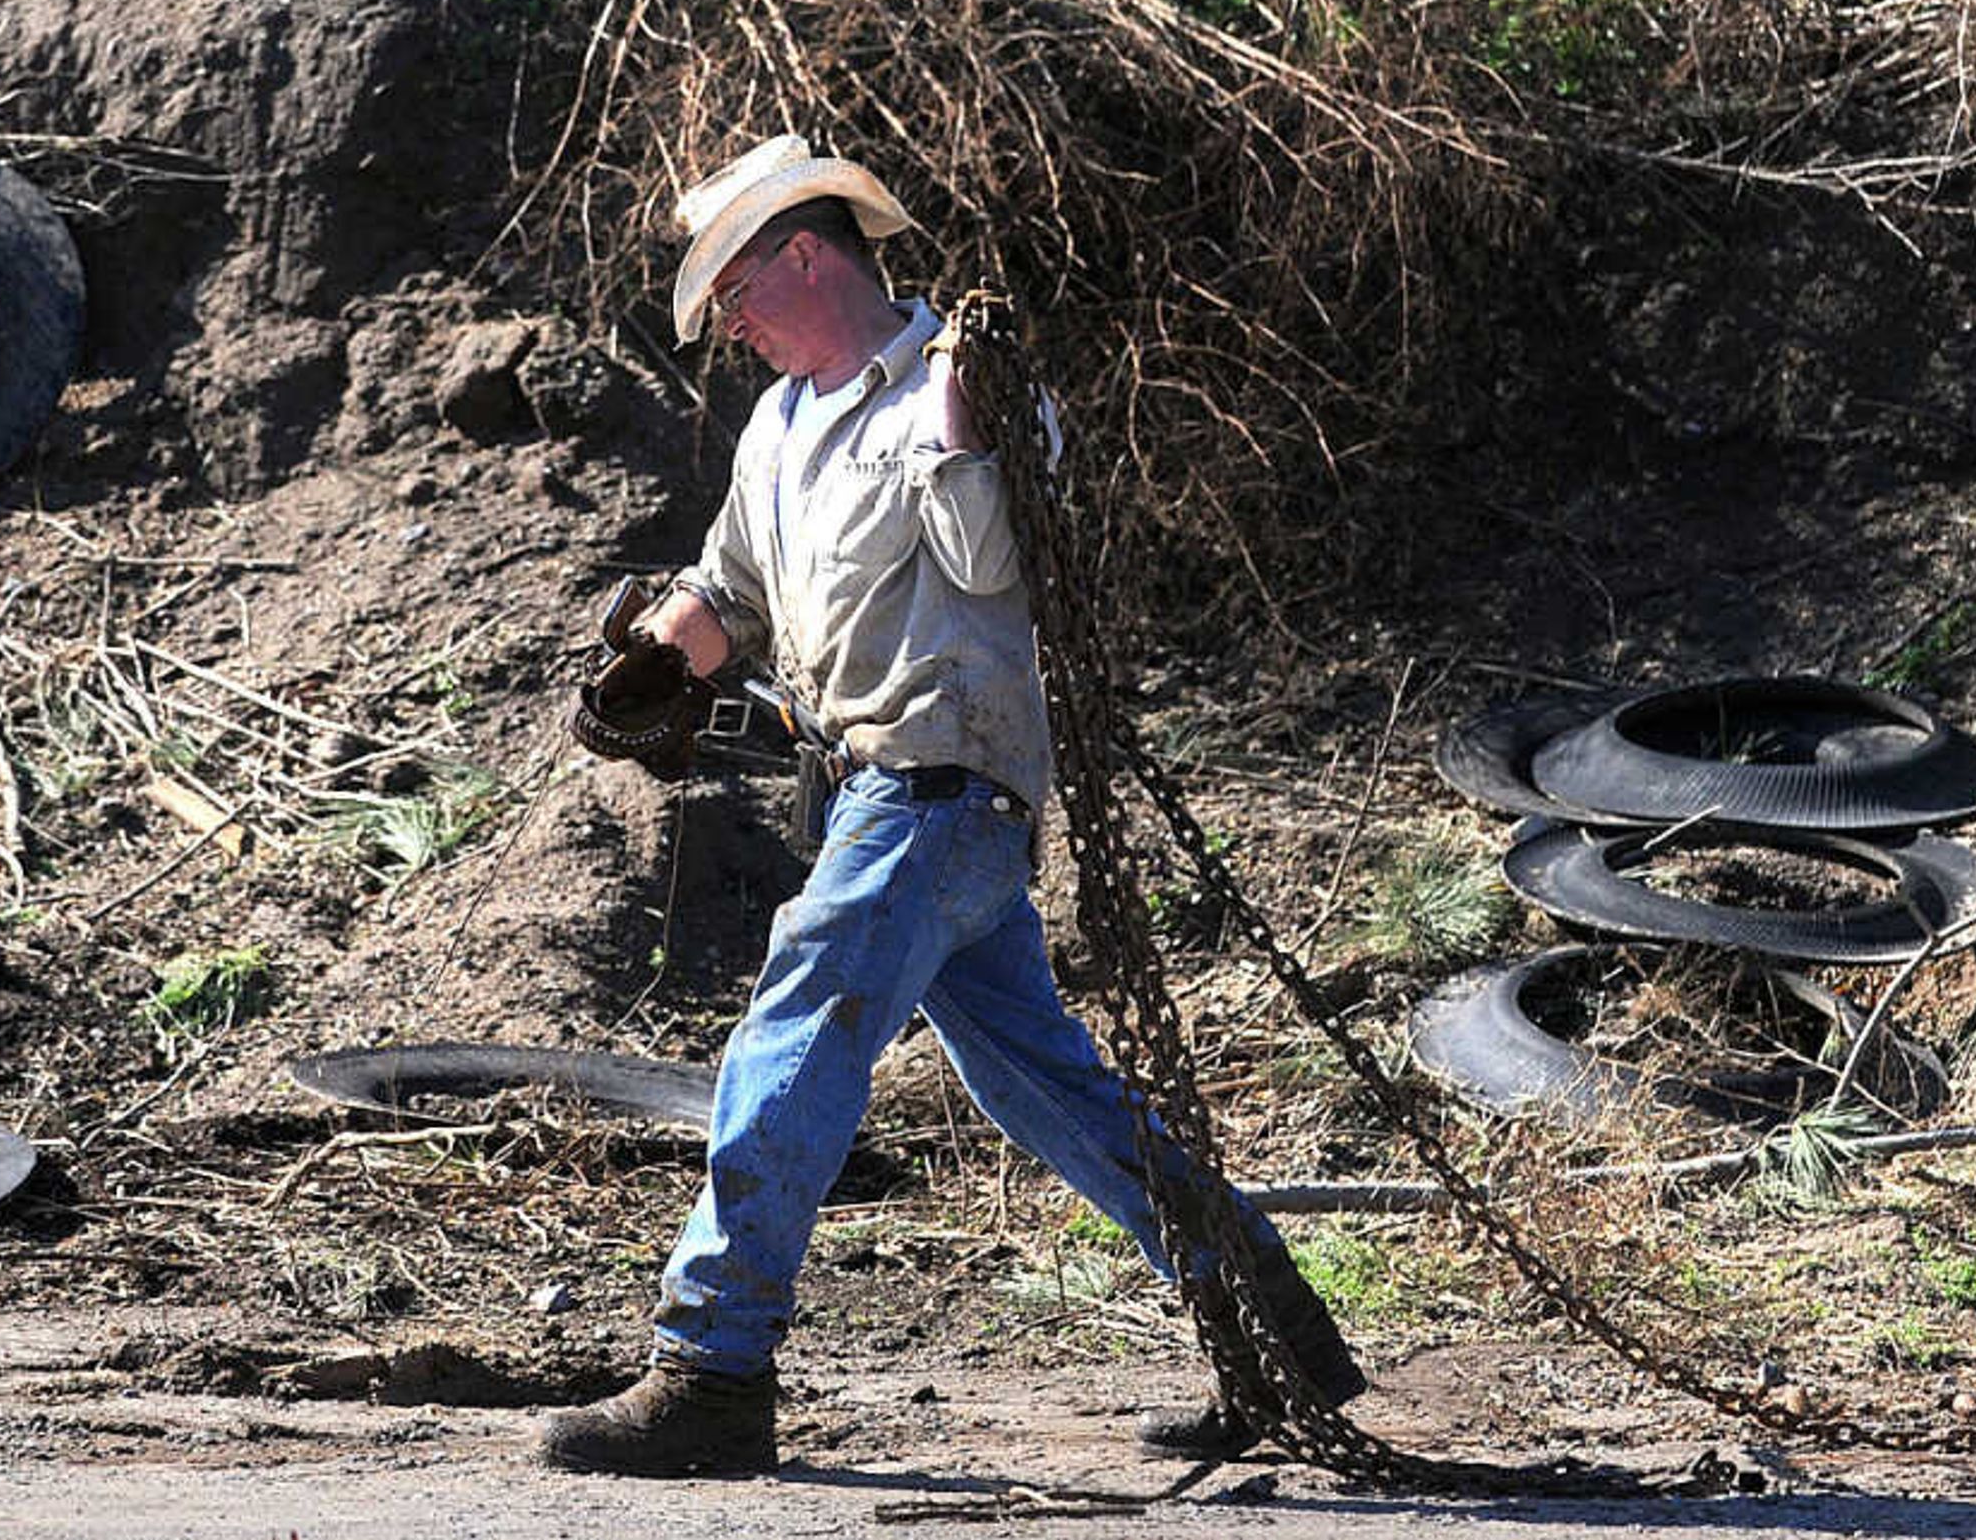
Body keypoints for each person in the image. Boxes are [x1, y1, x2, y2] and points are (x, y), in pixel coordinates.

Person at [538, 132, 1362, 1479]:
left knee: (798, 1021)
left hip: (938, 788)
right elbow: (731, 590)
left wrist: (969, 438)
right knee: (1046, 1087)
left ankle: (714, 1362)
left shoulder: (956, 387)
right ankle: (1272, 1325)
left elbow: (995, 566)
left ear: (808, 252)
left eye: (738, 291)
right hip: (879, 791)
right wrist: (649, 658)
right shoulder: (780, 423)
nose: (731, 325)